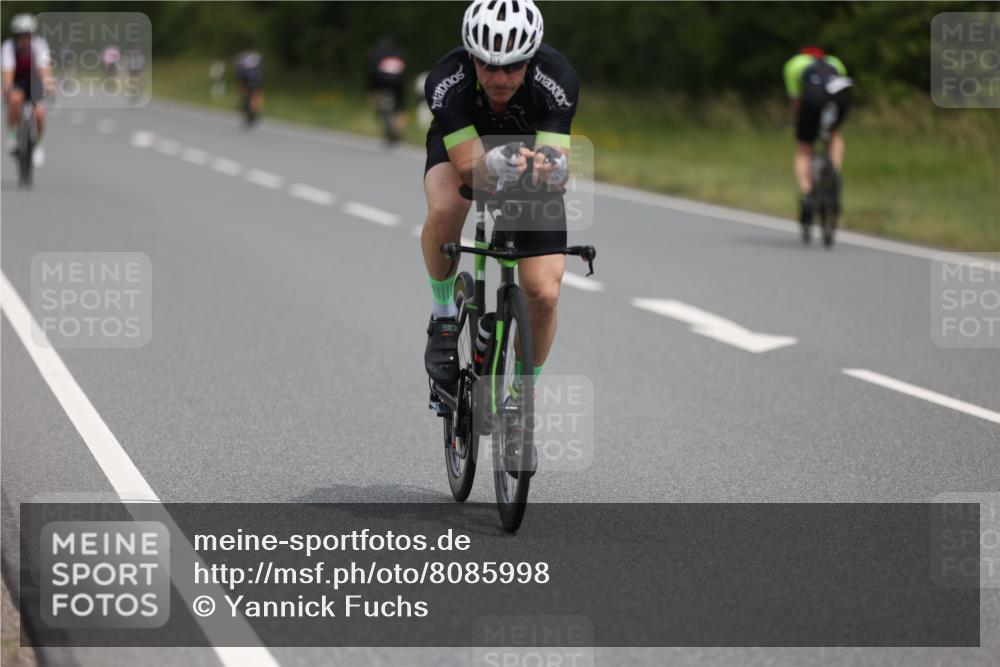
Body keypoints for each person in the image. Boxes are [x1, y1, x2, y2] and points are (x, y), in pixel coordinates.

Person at [421, 0, 577, 473]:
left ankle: (520, 405)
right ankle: (445, 314)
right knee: (451, 204)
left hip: (526, 155)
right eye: (488, 64)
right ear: (471, 57)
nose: (500, 78)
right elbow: (470, 167)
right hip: (463, 147)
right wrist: (521, 166)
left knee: (543, 293)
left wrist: (539, 170)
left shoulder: (557, 78)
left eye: (513, 67)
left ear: (531, 61)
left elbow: (554, 170)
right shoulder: (445, 80)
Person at [783, 46, 852, 229]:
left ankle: (806, 193)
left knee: (804, 148)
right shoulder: (835, 62)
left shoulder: (793, 65)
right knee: (834, 135)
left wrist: (800, 122)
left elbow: (796, 101)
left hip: (812, 100)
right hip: (839, 101)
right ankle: (833, 172)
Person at [1, 14, 53, 166]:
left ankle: (39, 145)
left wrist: (49, 85)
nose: (24, 39)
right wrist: (7, 89)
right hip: (17, 80)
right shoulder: (8, 47)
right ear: (16, 36)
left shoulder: (39, 45)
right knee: (15, 100)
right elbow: (8, 71)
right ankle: (12, 137)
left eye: (27, 35)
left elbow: (44, 68)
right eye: (21, 36)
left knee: (39, 113)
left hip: (34, 81)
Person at [366, 36, 408, 145]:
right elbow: (405, 72)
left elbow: (371, 74)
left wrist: (371, 91)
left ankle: (381, 118)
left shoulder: (375, 54)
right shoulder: (399, 54)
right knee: (401, 106)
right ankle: (398, 130)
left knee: (378, 102)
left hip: (381, 82)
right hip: (399, 83)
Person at [233, 49, 263, 126]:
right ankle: (255, 109)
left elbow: (239, 74)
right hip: (255, 80)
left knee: (244, 90)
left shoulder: (243, 59)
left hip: (247, 79)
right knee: (256, 94)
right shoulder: (256, 58)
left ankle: (243, 103)